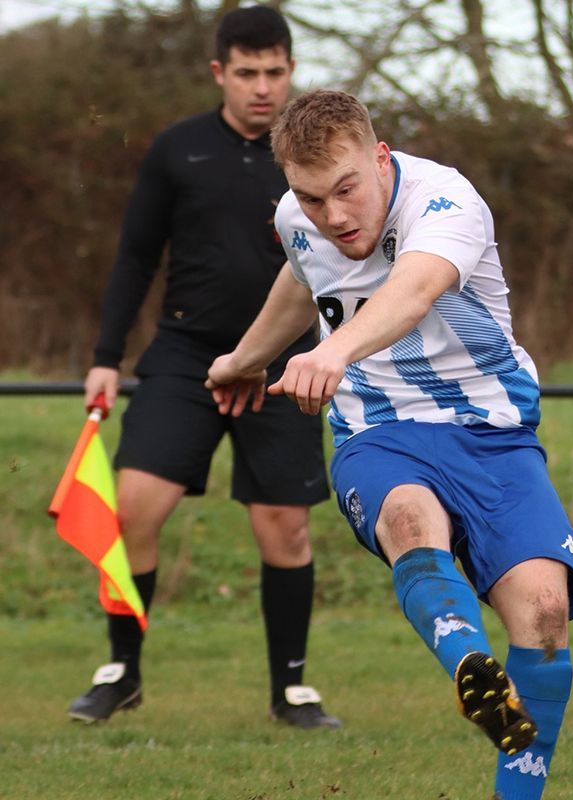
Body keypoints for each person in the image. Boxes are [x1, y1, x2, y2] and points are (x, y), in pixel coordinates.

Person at [206, 89, 573, 800]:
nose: (333, 216)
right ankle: (471, 667)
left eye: (346, 189)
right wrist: (245, 359)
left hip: (493, 432)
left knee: (544, 617)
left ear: (380, 158)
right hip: (378, 432)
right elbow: (301, 279)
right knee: (411, 520)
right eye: (312, 198)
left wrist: (331, 352)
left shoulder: (445, 202)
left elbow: (414, 291)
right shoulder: (297, 217)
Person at [71, 6, 340, 730]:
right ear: (220, 72)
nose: (263, 87)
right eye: (247, 73)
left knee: (286, 529)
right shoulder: (177, 149)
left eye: (275, 72)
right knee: (133, 510)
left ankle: (291, 690)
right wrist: (105, 358)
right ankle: (121, 671)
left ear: (291, 70)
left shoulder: (316, 160)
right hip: (186, 357)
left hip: (284, 363)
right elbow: (135, 258)